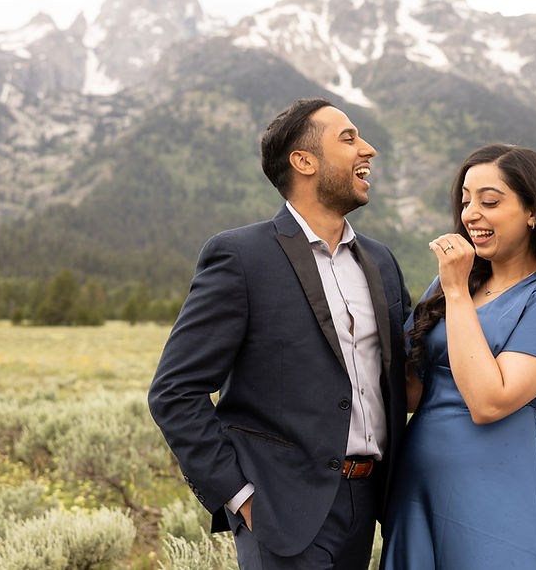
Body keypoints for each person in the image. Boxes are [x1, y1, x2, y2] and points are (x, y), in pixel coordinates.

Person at [148, 97, 411, 570]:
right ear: (304, 160)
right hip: (281, 511)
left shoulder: (382, 262)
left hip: (371, 506)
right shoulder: (240, 257)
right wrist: (240, 495)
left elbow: (409, 373)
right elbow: (173, 392)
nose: (367, 149)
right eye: (349, 139)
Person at [380, 143, 536, 569]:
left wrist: (455, 291)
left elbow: (488, 402)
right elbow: (408, 392)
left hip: (497, 487)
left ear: (533, 211)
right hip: (417, 482)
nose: (470, 214)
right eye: (465, 201)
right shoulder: (452, 283)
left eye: (489, 201)